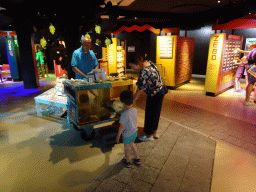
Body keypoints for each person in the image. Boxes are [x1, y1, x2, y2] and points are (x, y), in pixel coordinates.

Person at [127, 53, 166, 142]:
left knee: (150, 114)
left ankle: (149, 136)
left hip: (155, 93)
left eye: (133, 67)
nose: (133, 69)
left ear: (137, 64)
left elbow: (140, 89)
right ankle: (155, 132)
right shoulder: (148, 62)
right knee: (156, 113)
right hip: (160, 90)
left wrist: (132, 101)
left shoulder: (144, 72)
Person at [116, 90, 141, 168]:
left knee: (127, 149)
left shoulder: (124, 114)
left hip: (127, 135)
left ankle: (127, 162)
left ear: (122, 103)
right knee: (132, 144)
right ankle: (137, 159)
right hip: (134, 132)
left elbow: (121, 127)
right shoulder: (134, 110)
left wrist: (118, 136)